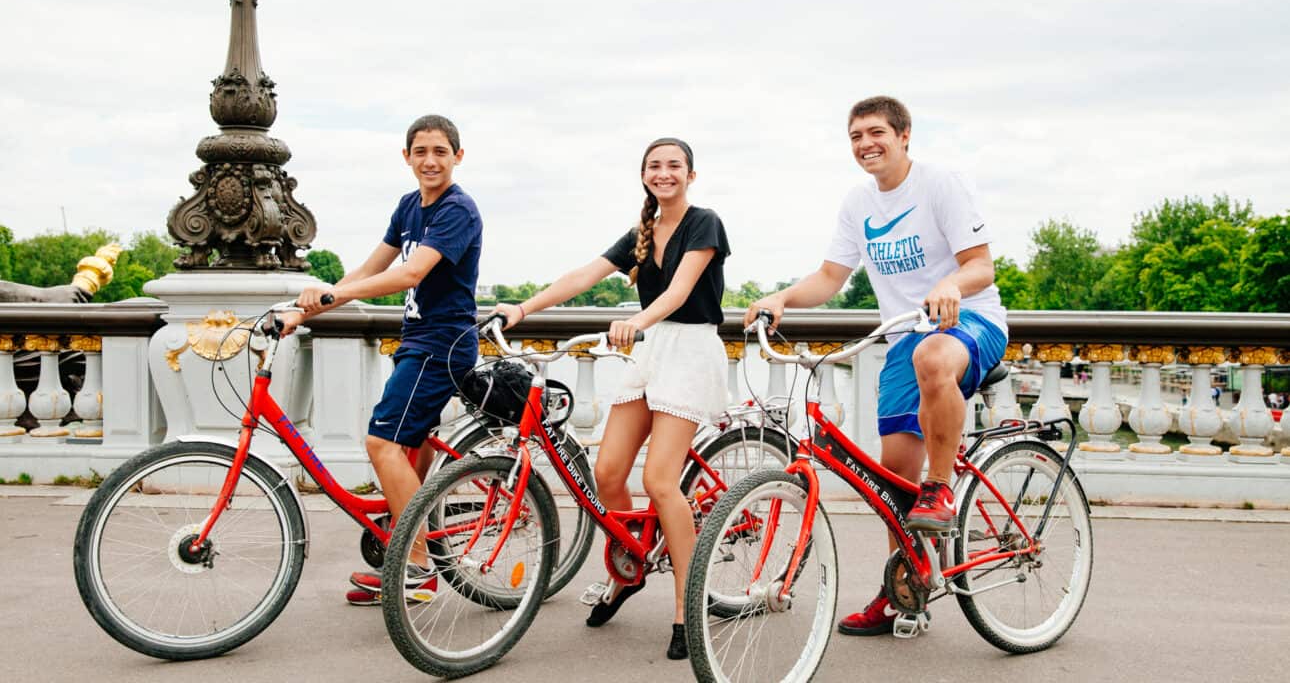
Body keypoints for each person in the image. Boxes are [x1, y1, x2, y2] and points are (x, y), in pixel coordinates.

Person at [746, 96, 1008, 637]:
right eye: (856, 136)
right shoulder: (858, 202)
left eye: (876, 132)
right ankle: (904, 592)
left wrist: (949, 285)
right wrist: (783, 298)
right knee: (892, 484)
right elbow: (829, 277)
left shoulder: (941, 183)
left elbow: (980, 265)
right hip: (902, 338)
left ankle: (942, 485)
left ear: (905, 134)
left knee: (932, 356)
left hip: (970, 322)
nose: (866, 144)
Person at [495, 137, 729, 661]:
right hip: (649, 353)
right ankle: (629, 569)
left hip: (688, 350)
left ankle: (686, 608)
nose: (664, 173)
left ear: (691, 174)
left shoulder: (704, 222)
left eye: (674, 166)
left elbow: (680, 292)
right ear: (643, 174)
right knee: (607, 474)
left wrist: (635, 321)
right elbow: (585, 275)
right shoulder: (641, 233)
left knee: (660, 481)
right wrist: (522, 309)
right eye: (654, 166)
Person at [277, 114, 483, 605]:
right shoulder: (409, 206)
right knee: (407, 447)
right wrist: (309, 307)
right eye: (420, 152)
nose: (429, 160)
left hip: (442, 344)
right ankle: (408, 539)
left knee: (381, 442)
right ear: (407, 158)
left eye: (439, 151)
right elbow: (372, 268)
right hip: (417, 340)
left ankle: (415, 569)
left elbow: (410, 274)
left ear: (457, 156)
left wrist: (327, 299)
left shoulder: (459, 209)